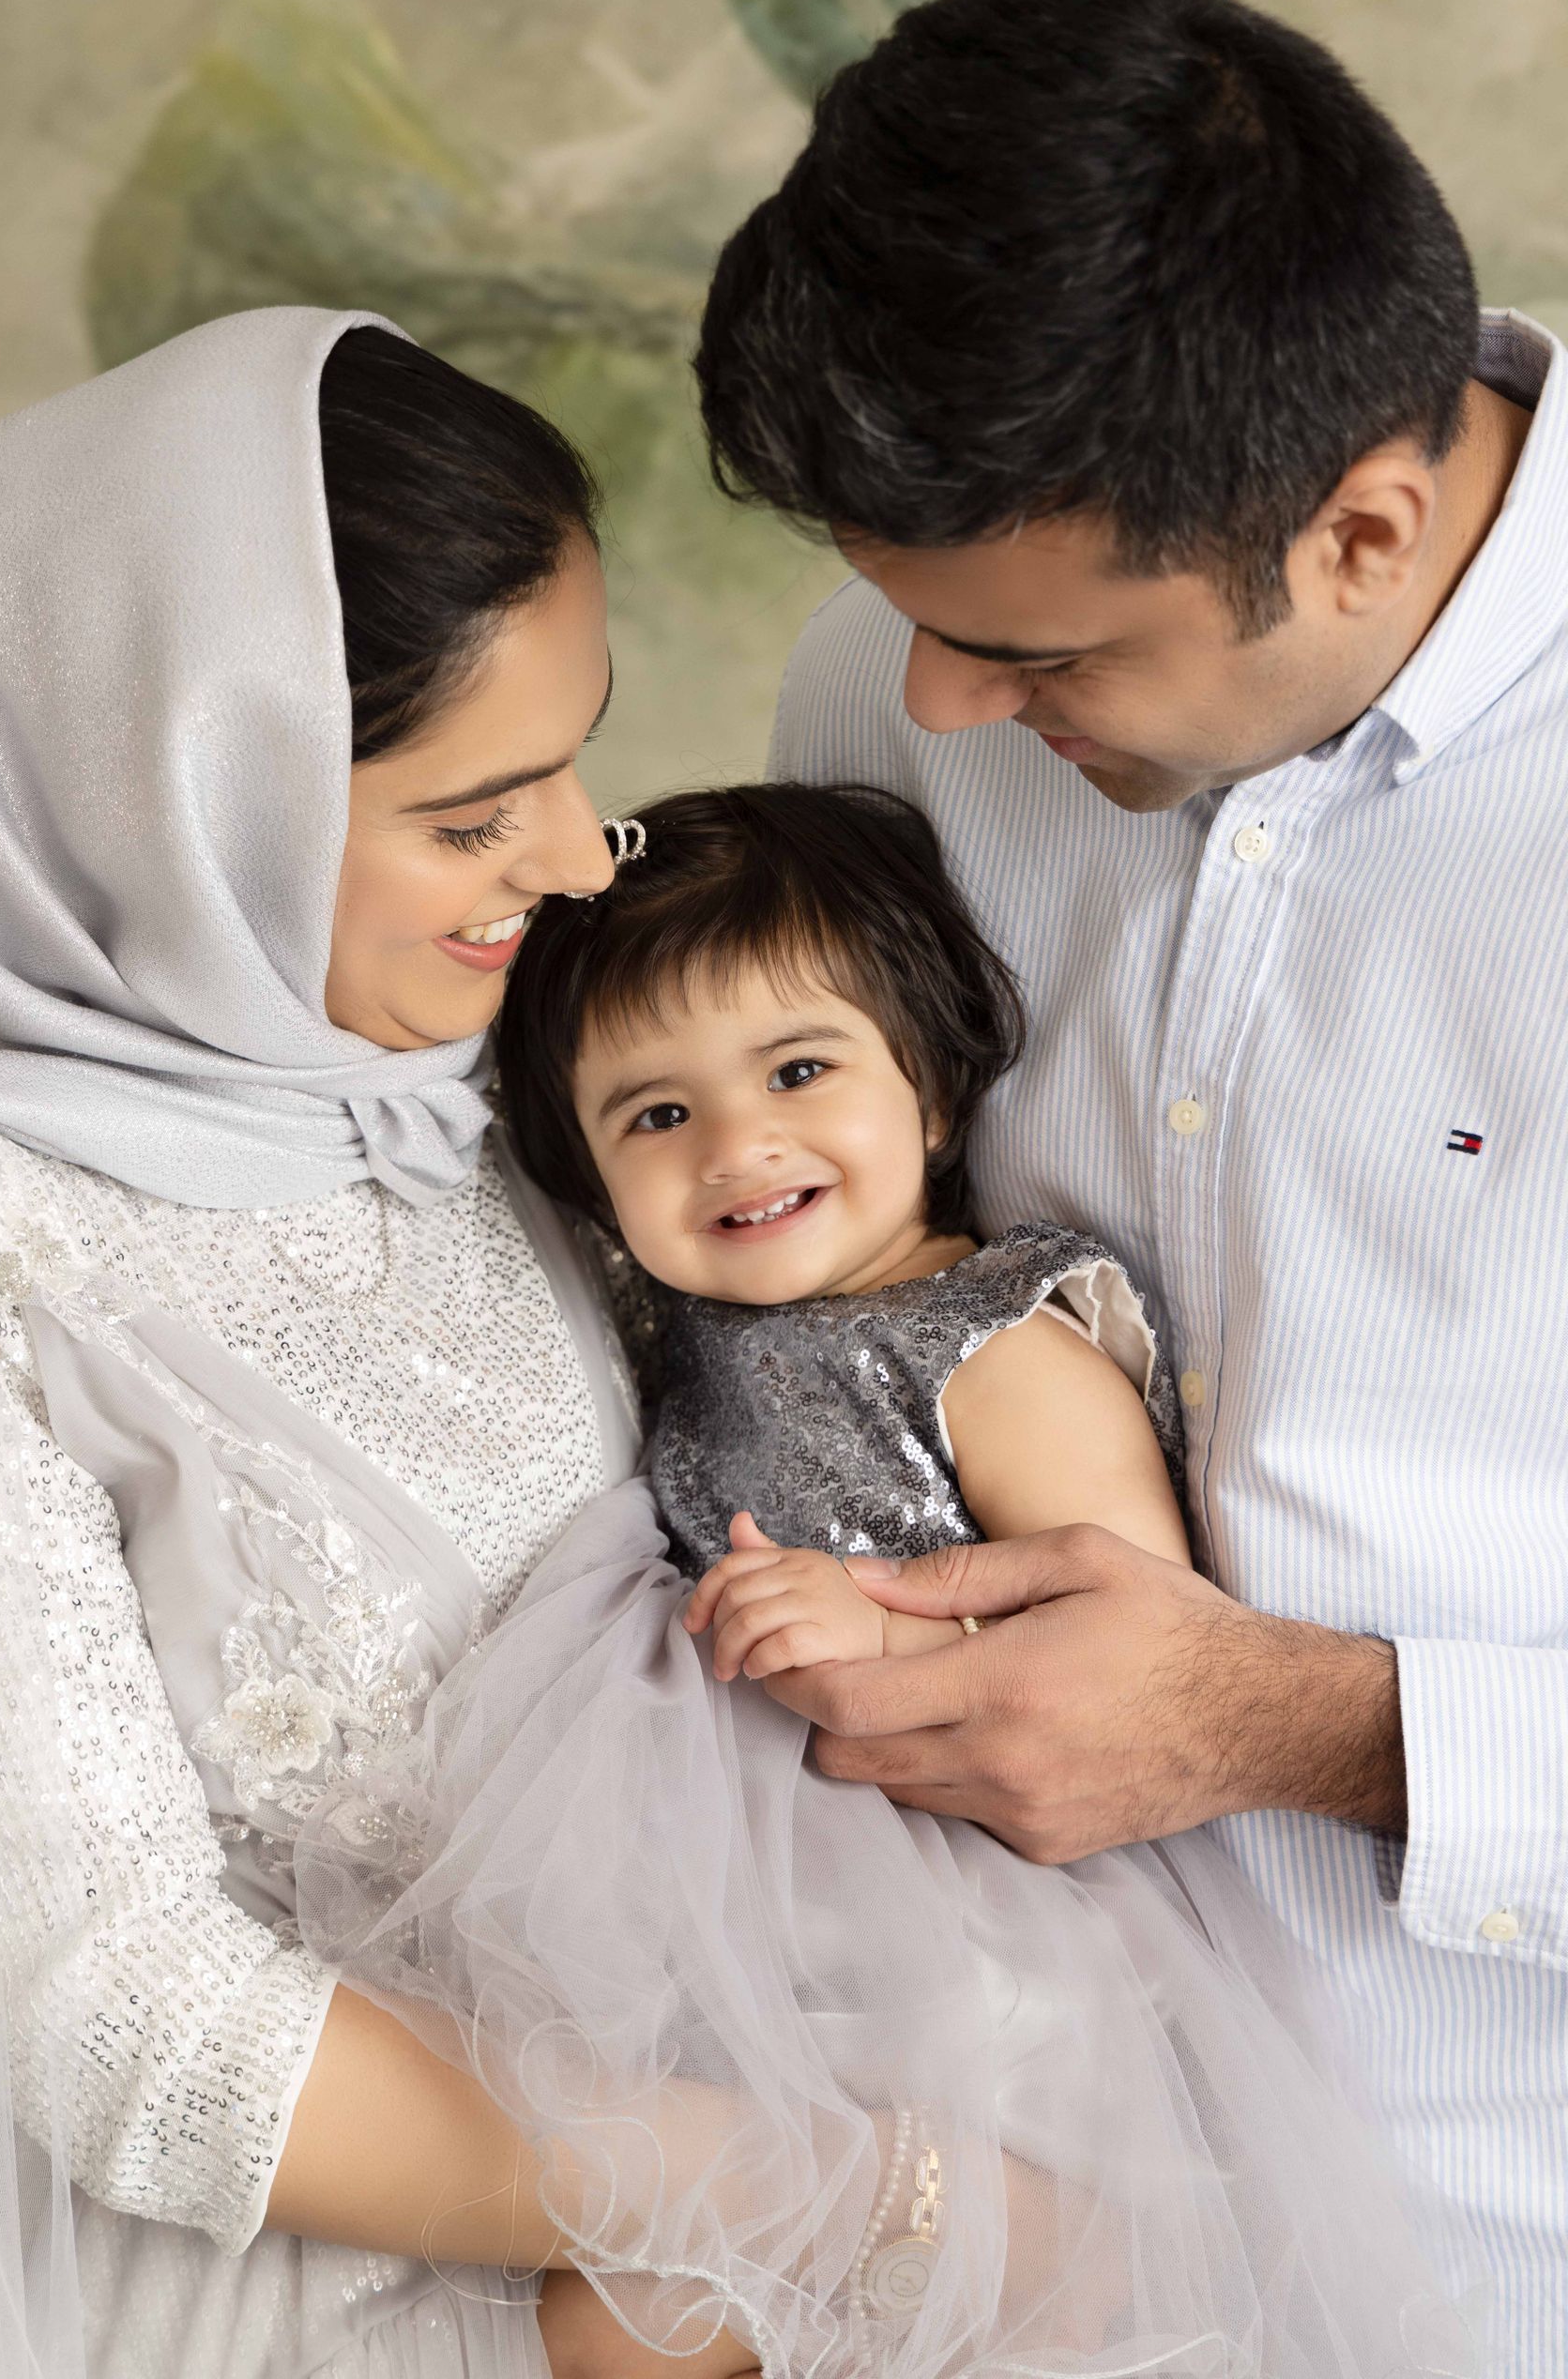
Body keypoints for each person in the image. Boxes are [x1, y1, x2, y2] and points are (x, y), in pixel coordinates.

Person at [691, 0, 1568, 2369]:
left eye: (1046, 660)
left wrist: (1300, 1724)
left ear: (1369, 528)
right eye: (922, 631)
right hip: (1027, 2192)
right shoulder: (895, 681)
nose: (946, 709)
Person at [303, 777, 1478, 2379]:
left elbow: (1127, 1629)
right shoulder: (676, 1326)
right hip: (753, 1924)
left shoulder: (987, 1347)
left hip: (979, 1942)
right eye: (654, 1115)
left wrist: (877, 1613)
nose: (736, 1142)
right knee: (602, 2301)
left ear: (930, 1094)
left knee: (667, 2320)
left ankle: (1052, 2281)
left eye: (798, 1070)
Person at [0, 305, 647, 2378]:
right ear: (182, 798)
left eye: (581, 748)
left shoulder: (509, 1096)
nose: (580, 849)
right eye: (472, 812)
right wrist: (815, 2193)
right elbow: (89, 1999)